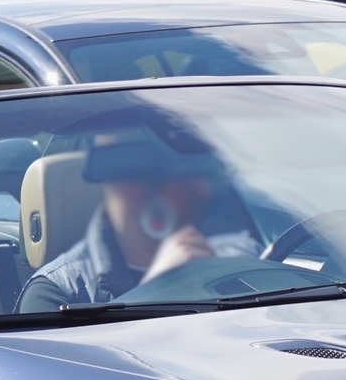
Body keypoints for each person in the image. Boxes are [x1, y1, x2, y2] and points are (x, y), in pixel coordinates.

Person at [17, 132, 242, 311]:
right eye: (132, 170)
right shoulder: (56, 292)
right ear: (105, 188)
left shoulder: (240, 260)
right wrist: (160, 289)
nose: (157, 190)